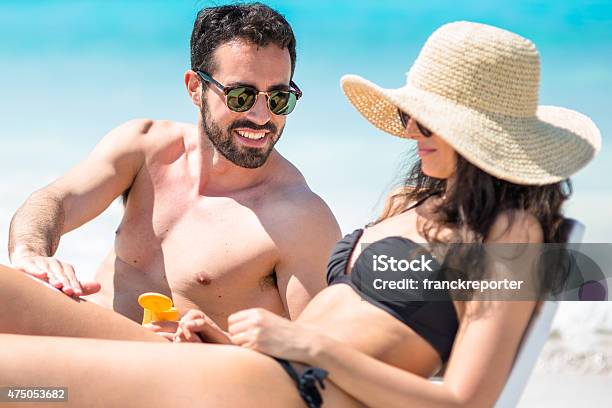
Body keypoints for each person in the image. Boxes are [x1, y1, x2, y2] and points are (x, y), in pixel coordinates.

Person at [0, 21, 601, 408]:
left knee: (18, 384)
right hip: (249, 369)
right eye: (410, 113)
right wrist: (234, 340)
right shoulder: (412, 205)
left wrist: (306, 347)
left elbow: (466, 402)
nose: (410, 130)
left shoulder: (510, 235)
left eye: (428, 118)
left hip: (289, 388)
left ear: (481, 134)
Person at [6, 3, 341, 325]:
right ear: (196, 88)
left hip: (172, 373)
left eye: (279, 99)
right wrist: (31, 254)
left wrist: (212, 345)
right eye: (242, 96)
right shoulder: (145, 147)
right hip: (88, 339)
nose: (261, 116)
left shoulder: (301, 220)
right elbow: (55, 200)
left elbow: (316, 364)